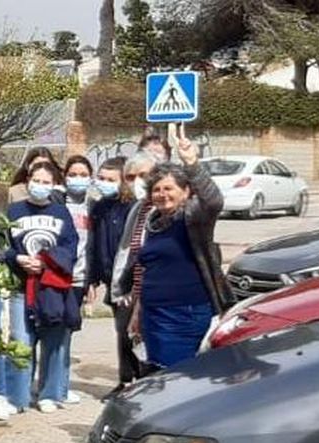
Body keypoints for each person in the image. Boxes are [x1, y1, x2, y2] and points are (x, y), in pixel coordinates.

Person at [114, 131, 229, 368]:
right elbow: (149, 270)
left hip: (184, 314)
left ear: (185, 192)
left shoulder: (192, 218)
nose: (162, 194)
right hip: (154, 313)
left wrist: (192, 163)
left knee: (177, 375)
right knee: (160, 373)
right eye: (156, 190)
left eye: (169, 188)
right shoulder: (153, 222)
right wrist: (138, 310)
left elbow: (213, 201)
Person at [6, 160, 80, 413]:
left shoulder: (61, 212)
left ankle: (50, 393)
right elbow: (0, 244)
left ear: (54, 185)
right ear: (27, 181)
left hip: (51, 287)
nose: (40, 185)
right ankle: (18, 396)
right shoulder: (13, 211)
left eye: (45, 182)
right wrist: (17, 258)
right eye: (36, 181)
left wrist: (46, 262)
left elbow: (71, 246)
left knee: (54, 339)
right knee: (21, 341)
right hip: (20, 285)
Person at [85, 156, 143, 389]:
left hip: (131, 281)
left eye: (111, 179)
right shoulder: (100, 207)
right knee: (121, 331)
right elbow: (94, 244)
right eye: (101, 178)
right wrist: (92, 279)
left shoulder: (133, 207)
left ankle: (136, 379)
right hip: (112, 280)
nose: (104, 183)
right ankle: (126, 379)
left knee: (130, 331)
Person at [107, 152, 163, 384]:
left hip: (155, 289)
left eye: (143, 175)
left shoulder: (165, 208)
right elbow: (125, 249)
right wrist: (118, 287)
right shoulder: (137, 208)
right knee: (126, 338)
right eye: (130, 177)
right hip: (130, 288)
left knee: (148, 345)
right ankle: (126, 382)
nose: (137, 182)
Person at [57, 153, 96, 407]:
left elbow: (95, 245)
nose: (77, 179)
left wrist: (92, 280)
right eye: (73, 174)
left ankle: (61, 385)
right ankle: (47, 385)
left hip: (79, 278)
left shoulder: (94, 207)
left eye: (83, 175)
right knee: (49, 330)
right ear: (64, 177)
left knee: (67, 332)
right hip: (54, 276)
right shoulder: (56, 202)